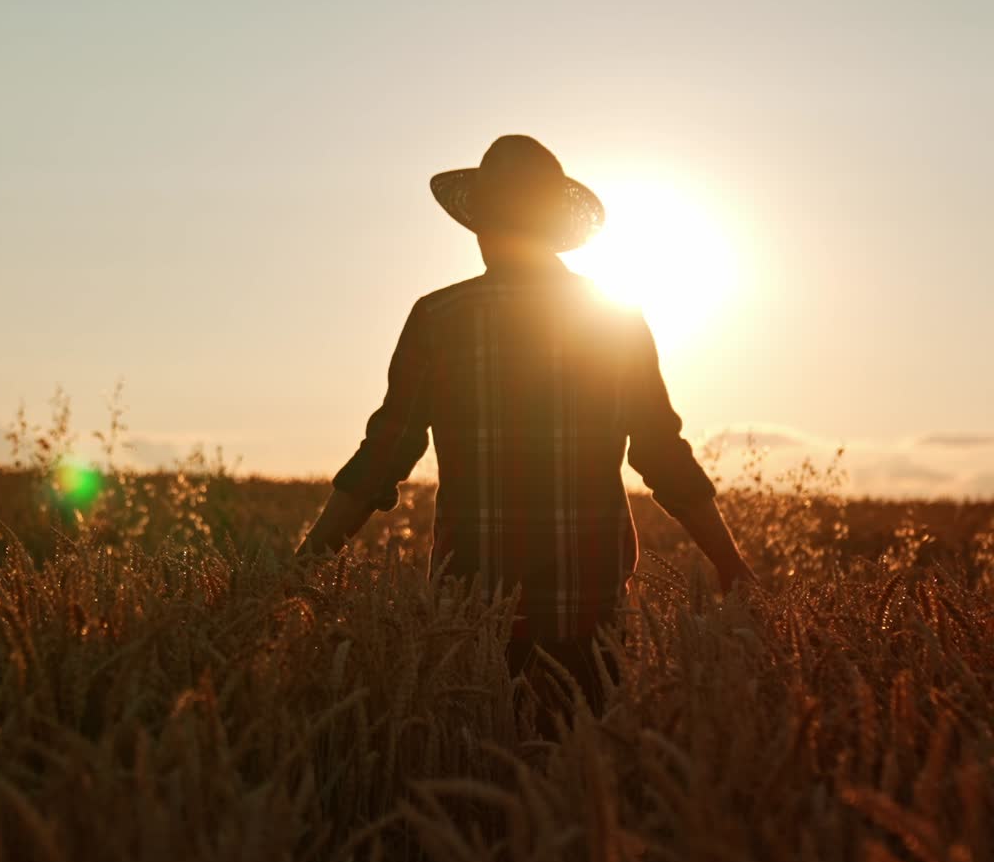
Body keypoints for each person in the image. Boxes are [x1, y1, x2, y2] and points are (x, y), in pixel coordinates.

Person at [298, 134, 756, 717]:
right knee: (584, 784)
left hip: (472, 620)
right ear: (551, 225)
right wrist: (730, 563)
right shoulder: (613, 318)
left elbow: (385, 455)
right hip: (593, 617)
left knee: (479, 763)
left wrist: (302, 565)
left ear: (483, 221)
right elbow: (663, 455)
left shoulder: (439, 318)